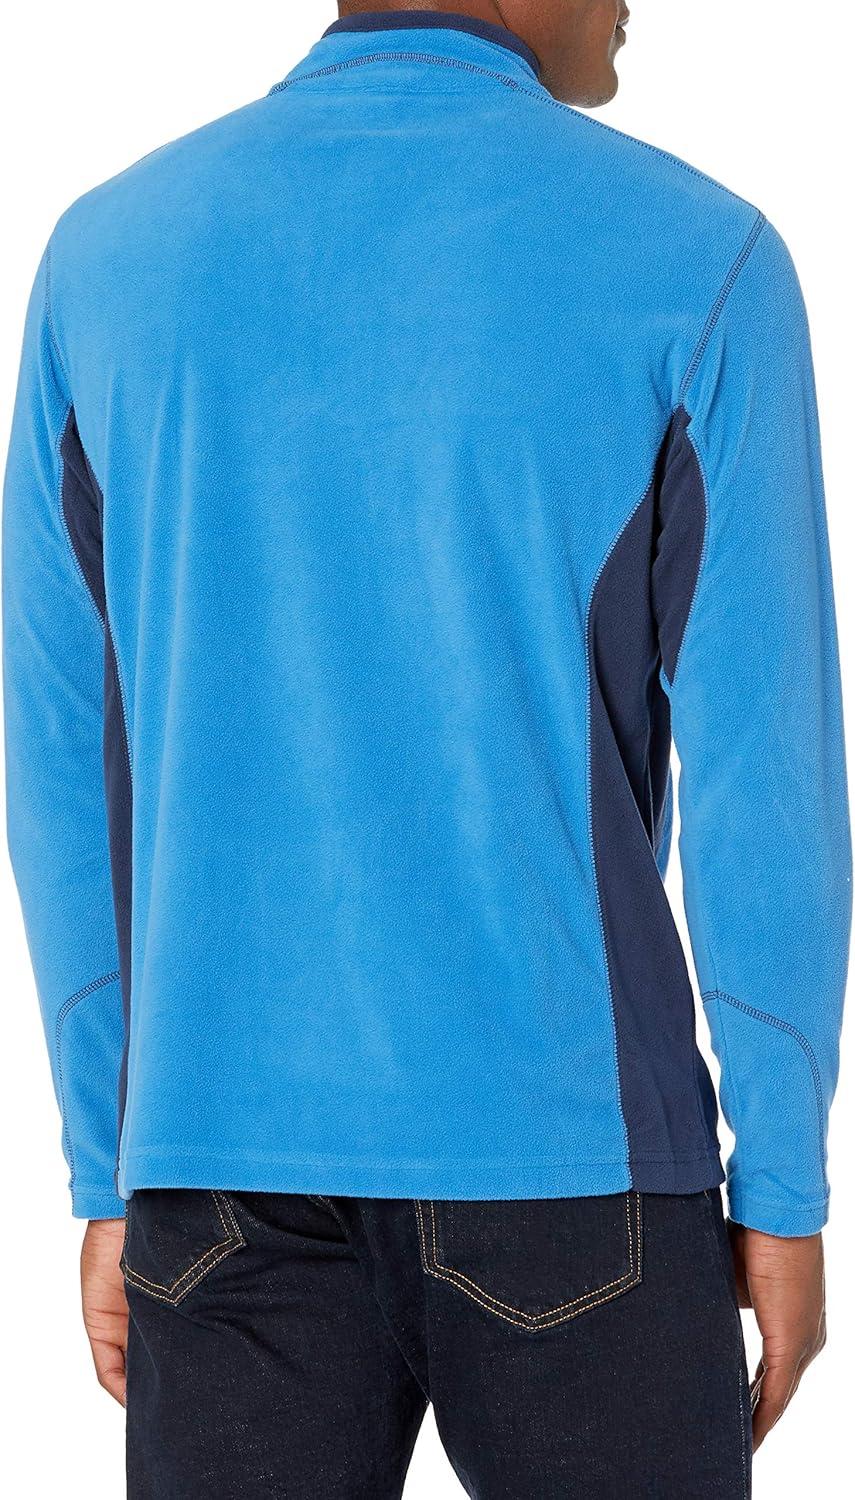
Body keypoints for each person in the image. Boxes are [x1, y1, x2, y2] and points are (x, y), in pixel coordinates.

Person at [3, 3, 850, 1495]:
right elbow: (763, 774)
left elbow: (62, 749)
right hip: (578, 1165)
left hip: (213, 1174)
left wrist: (107, 1156)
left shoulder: (106, 260)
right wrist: (781, 1185)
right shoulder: (699, 258)